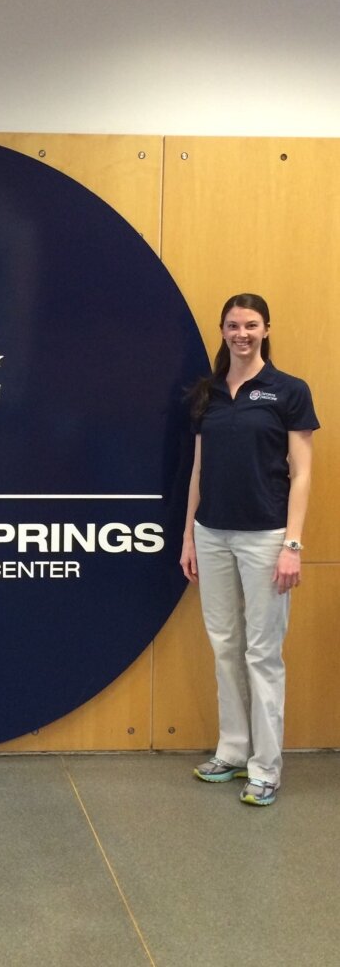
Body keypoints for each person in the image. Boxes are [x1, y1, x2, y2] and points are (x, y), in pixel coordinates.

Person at [180, 293, 319, 806]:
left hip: (266, 538)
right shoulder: (208, 393)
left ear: (266, 330)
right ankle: (233, 752)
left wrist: (292, 545)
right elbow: (198, 470)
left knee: (262, 654)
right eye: (233, 325)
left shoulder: (288, 392)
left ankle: (266, 769)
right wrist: (189, 534)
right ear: (222, 330)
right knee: (224, 645)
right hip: (212, 534)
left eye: (251, 325)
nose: (242, 333)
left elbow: (302, 474)